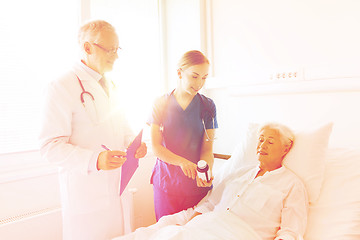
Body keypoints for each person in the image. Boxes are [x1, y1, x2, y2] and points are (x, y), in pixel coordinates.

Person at [39, 20, 147, 240]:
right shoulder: (61, 86)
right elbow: (49, 147)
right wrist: (95, 160)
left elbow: (123, 128)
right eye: (109, 49)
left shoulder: (113, 86)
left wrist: (134, 144)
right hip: (86, 195)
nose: (115, 55)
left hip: (118, 186)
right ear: (87, 48)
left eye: (117, 49)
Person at [114, 123, 308, 240]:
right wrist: (184, 227)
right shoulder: (240, 173)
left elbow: (291, 232)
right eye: (260, 139)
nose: (262, 145)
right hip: (204, 227)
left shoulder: (292, 185)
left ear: (286, 147)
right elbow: (209, 203)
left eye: (270, 142)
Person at [147, 50, 218, 221]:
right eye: (194, 76)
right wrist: (181, 162)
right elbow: (155, 147)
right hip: (167, 184)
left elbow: (207, 149)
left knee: (194, 233)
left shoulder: (208, 106)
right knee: (165, 232)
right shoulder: (160, 104)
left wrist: (205, 171)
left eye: (204, 77)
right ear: (179, 73)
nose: (199, 83)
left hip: (196, 186)